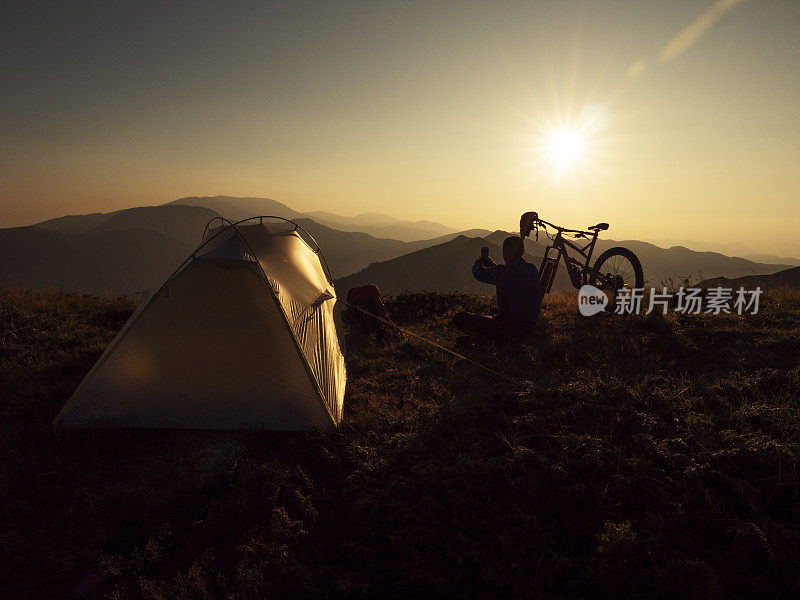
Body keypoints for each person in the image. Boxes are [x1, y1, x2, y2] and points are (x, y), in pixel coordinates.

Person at [452, 236, 541, 343]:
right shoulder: (532, 269)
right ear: (523, 251)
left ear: (505, 252)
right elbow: (508, 276)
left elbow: (479, 274)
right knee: (494, 311)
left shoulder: (503, 272)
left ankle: (483, 340)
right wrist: (493, 265)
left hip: (508, 330)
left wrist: (477, 265)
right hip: (527, 326)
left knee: (459, 318)